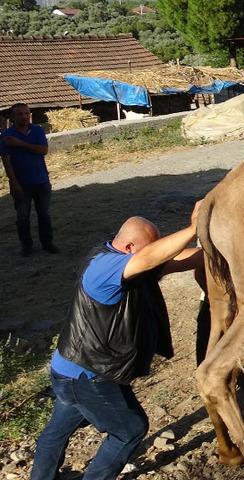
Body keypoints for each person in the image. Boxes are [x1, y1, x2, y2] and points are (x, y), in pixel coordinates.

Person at [30, 204, 203, 480]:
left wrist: (216, 250)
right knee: (130, 429)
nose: (155, 254)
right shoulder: (103, 269)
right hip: (88, 376)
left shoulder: (125, 261)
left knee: (58, 430)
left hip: (70, 370)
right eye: (150, 248)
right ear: (131, 247)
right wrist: (193, 228)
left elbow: (172, 259)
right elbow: (152, 258)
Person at [1, 103, 57, 256]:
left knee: (44, 214)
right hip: (21, 183)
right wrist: (13, 183)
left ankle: (47, 243)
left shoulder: (37, 130)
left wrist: (20, 144)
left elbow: (43, 150)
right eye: (20, 114)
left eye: (26, 113)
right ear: (13, 117)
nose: (24, 117)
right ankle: (26, 246)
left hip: (41, 180)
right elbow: (6, 161)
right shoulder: (6, 136)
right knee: (22, 217)